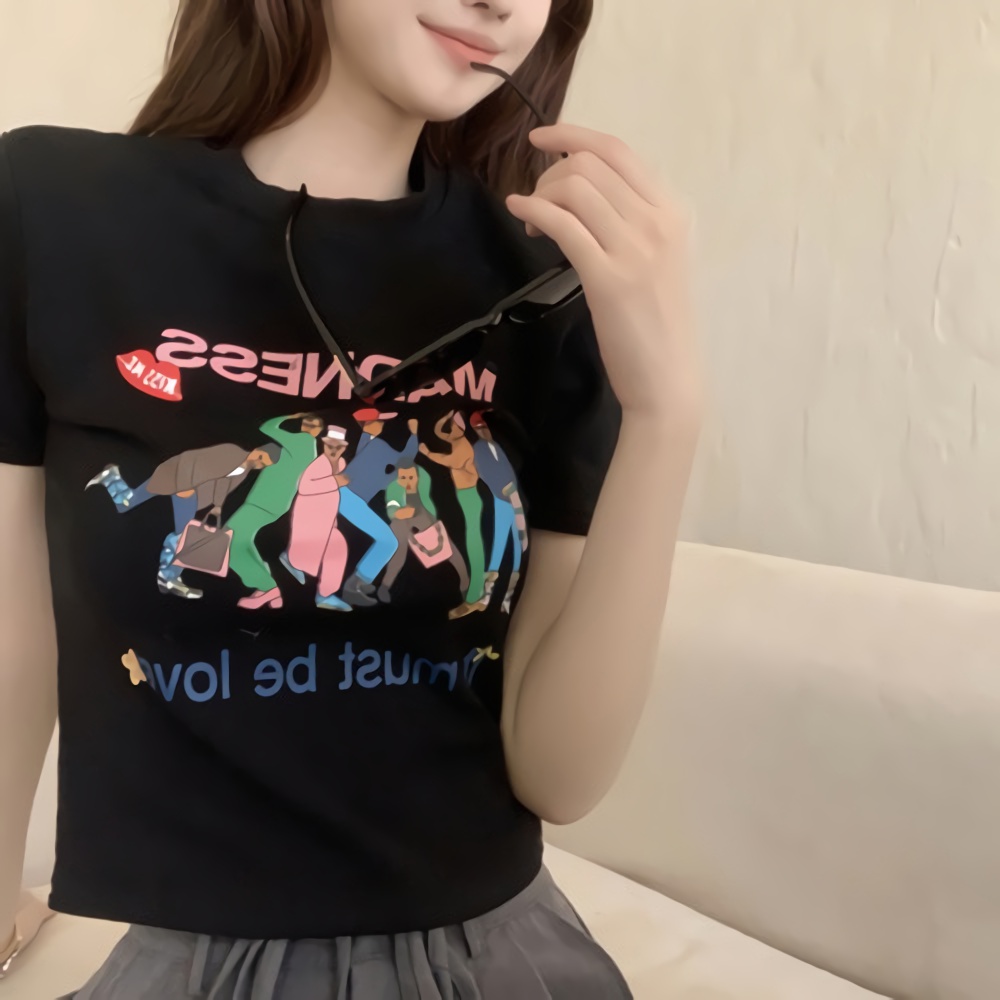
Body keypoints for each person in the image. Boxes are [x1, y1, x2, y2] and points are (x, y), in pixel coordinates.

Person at [0, 0, 703, 995]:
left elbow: (558, 776)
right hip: (195, 956)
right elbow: (12, 634)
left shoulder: (545, 276)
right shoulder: (55, 209)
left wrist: (667, 414)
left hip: (498, 953)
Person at [86, 443, 280, 600]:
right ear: (257, 450)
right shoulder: (231, 452)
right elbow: (191, 459)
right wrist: (185, 486)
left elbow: (223, 482)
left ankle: (111, 478)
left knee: (126, 503)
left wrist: (218, 505)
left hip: (183, 485)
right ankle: (168, 578)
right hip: (180, 481)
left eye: (263, 465)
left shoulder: (244, 469)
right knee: (184, 537)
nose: (259, 464)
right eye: (261, 458)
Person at [226, 413, 324, 610]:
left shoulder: (303, 442)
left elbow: (267, 427)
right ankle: (269, 592)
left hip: (264, 503)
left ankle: (267, 586)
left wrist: (291, 415)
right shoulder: (303, 449)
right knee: (243, 542)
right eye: (305, 423)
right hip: (271, 504)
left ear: (318, 431)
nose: (306, 427)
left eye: (312, 425)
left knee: (227, 540)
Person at [336, 409, 420, 607]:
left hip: (350, 498)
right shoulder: (378, 446)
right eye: (379, 421)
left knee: (385, 540)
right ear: (368, 424)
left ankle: (363, 580)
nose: (383, 424)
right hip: (349, 500)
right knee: (388, 541)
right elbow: (405, 459)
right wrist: (414, 434)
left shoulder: (366, 443)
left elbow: (381, 479)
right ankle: (352, 587)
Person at [419, 410, 488, 619]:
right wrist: (444, 418)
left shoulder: (463, 446)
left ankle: (474, 596)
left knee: (473, 542)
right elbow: (439, 432)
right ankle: (475, 592)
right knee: (471, 540)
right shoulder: (456, 439)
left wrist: (427, 453)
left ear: (459, 428)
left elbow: (451, 461)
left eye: (453, 426)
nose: (449, 431)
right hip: (465, 496)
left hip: (470, 496)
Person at [281, 424, 354, 612]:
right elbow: (304, 487)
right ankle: (291, 559)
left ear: (343, 448)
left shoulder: (341, 463)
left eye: (338, 447)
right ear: (324, 445)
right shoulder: (318, 464)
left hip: (327, 517)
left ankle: (325, 594)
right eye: (330, 446)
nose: (333, 451)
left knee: (338, 549)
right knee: (307, 552)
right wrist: (335, 481)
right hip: (309, 515)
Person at [381, 463, 471, 609]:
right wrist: (398, 512)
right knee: (399, 552)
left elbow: (428, 505)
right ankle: (385, 586)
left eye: (411, 477)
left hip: (421, 514)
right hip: (400, 519)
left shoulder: (424, 480)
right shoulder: (394, 488)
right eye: (403, 478)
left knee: (447, 546)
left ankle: (465, 584)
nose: (408, 482)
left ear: (417, 476)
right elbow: (392, 507)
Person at [469, 409, 528, 613]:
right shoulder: (479, 449)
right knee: (499, 546)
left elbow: (507, 469)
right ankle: (487, 595)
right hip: (502, 500)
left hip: (513, 497)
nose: (484, 431)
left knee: (517, 546)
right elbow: (486, 474)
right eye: (480, 428)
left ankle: (507, 597)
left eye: (484, 427)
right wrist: (503, 491)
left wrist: (513, 491)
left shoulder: (495, 446)